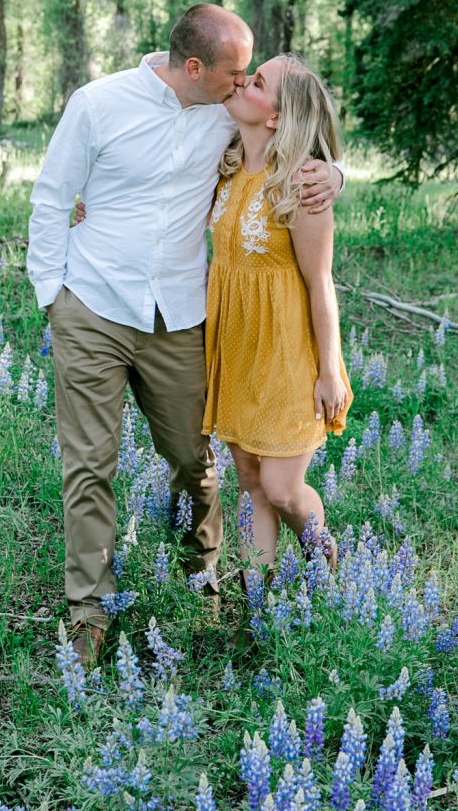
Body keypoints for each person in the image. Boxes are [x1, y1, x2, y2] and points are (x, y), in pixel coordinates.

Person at [27, 4, 343, 669]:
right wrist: (50, 296)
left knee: (193, 463)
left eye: (250, 76)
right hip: (91, 303)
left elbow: (300, 140)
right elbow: (53, 197)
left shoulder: (227, 119)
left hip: (179, 315)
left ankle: (201, 579)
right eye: (236, 73)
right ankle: (88, 610)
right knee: (89, 464)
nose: (243, 82)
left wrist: (335, 174)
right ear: (194, 68)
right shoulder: (99, 104)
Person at [201, 52, 353, 601]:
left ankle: (322, 557)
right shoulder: (225, 160)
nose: (242, 81)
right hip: (236, 348)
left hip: (289, 353)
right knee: (250, 487)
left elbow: (321, 284)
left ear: (276, 116)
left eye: (257, 80)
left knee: (281, 487)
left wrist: (329, 370)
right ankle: (257, 607)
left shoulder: (305, 187)